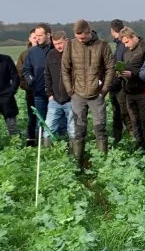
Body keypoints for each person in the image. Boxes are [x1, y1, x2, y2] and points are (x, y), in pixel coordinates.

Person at [62, 19, 114, 170]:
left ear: (89, 31)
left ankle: (101, 166)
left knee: (100, 129)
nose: (80, 39)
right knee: (79, 131)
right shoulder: (71, 45)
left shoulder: (103, 45)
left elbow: (110, 68)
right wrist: (70, 91)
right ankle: (77, 164)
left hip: (96, 95)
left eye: (83, 37)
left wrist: (104, 90)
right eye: (78, 37)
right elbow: (65, 68)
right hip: (77, 94)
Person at [117, 26, 145, 152]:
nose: (126, 45)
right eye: (124, 43)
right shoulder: (126, 51)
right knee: (135, 122)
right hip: (129, 92)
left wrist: (133, 74)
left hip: (143, 93)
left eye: (127, 42)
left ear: (133, 37)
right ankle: (140, 148)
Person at [22, 24, 54, 147]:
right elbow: (26, 70)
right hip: (39, 93)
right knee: (40, 122)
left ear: (48, 35)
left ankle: (56, 147)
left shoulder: (54, 49)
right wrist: (32, 81)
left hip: (56, 94)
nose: (37, 38)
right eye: (36, 36)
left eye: (40, 35)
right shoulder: (32, 52)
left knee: (56, 121)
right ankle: (40, 148)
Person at [43, 31, 74, 140]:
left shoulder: (74, 53)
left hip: (72, 99)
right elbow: (47, 75)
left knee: (73, 130)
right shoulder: (51, 54)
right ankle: (49, 154)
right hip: (54, 99)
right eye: (55, 44)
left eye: (60, 43)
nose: (58, 46)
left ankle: (74, 155)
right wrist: (49, 94)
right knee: (48, 129)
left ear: (66, 40)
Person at [107, 19, 128, 145]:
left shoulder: (121, 45)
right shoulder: (120, 45)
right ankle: (118, 138)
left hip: (119, 86)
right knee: (118, 114)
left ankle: (120, 139)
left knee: (123, 115)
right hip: (116, 85)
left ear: (112, 31)